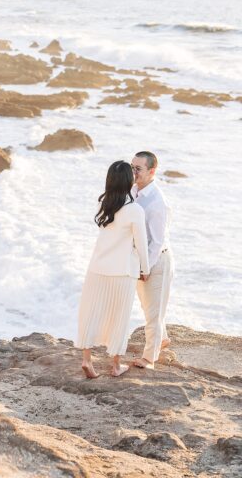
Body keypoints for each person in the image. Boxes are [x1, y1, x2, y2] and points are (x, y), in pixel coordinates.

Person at [76, 160, 150, 378]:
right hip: (122, 272)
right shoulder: (135, 210)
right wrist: (145, 269)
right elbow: (142, 244)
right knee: (119, 318)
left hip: (97, 268)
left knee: (91, 313)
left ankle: (87, 360)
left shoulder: (103, 204)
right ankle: (116, 366)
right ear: (129, 181)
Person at [130, 150, 174, 368]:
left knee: (154, 312)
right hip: (142, 259)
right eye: (131, 167)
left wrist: (145, 268)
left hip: (157, 261)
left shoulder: (157, 202)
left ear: (152, 171)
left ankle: (149, 358)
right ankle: (162, 339)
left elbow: (156, 242)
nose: (133, 172)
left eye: (138, 168)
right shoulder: (134, 190)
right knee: (148, 306)